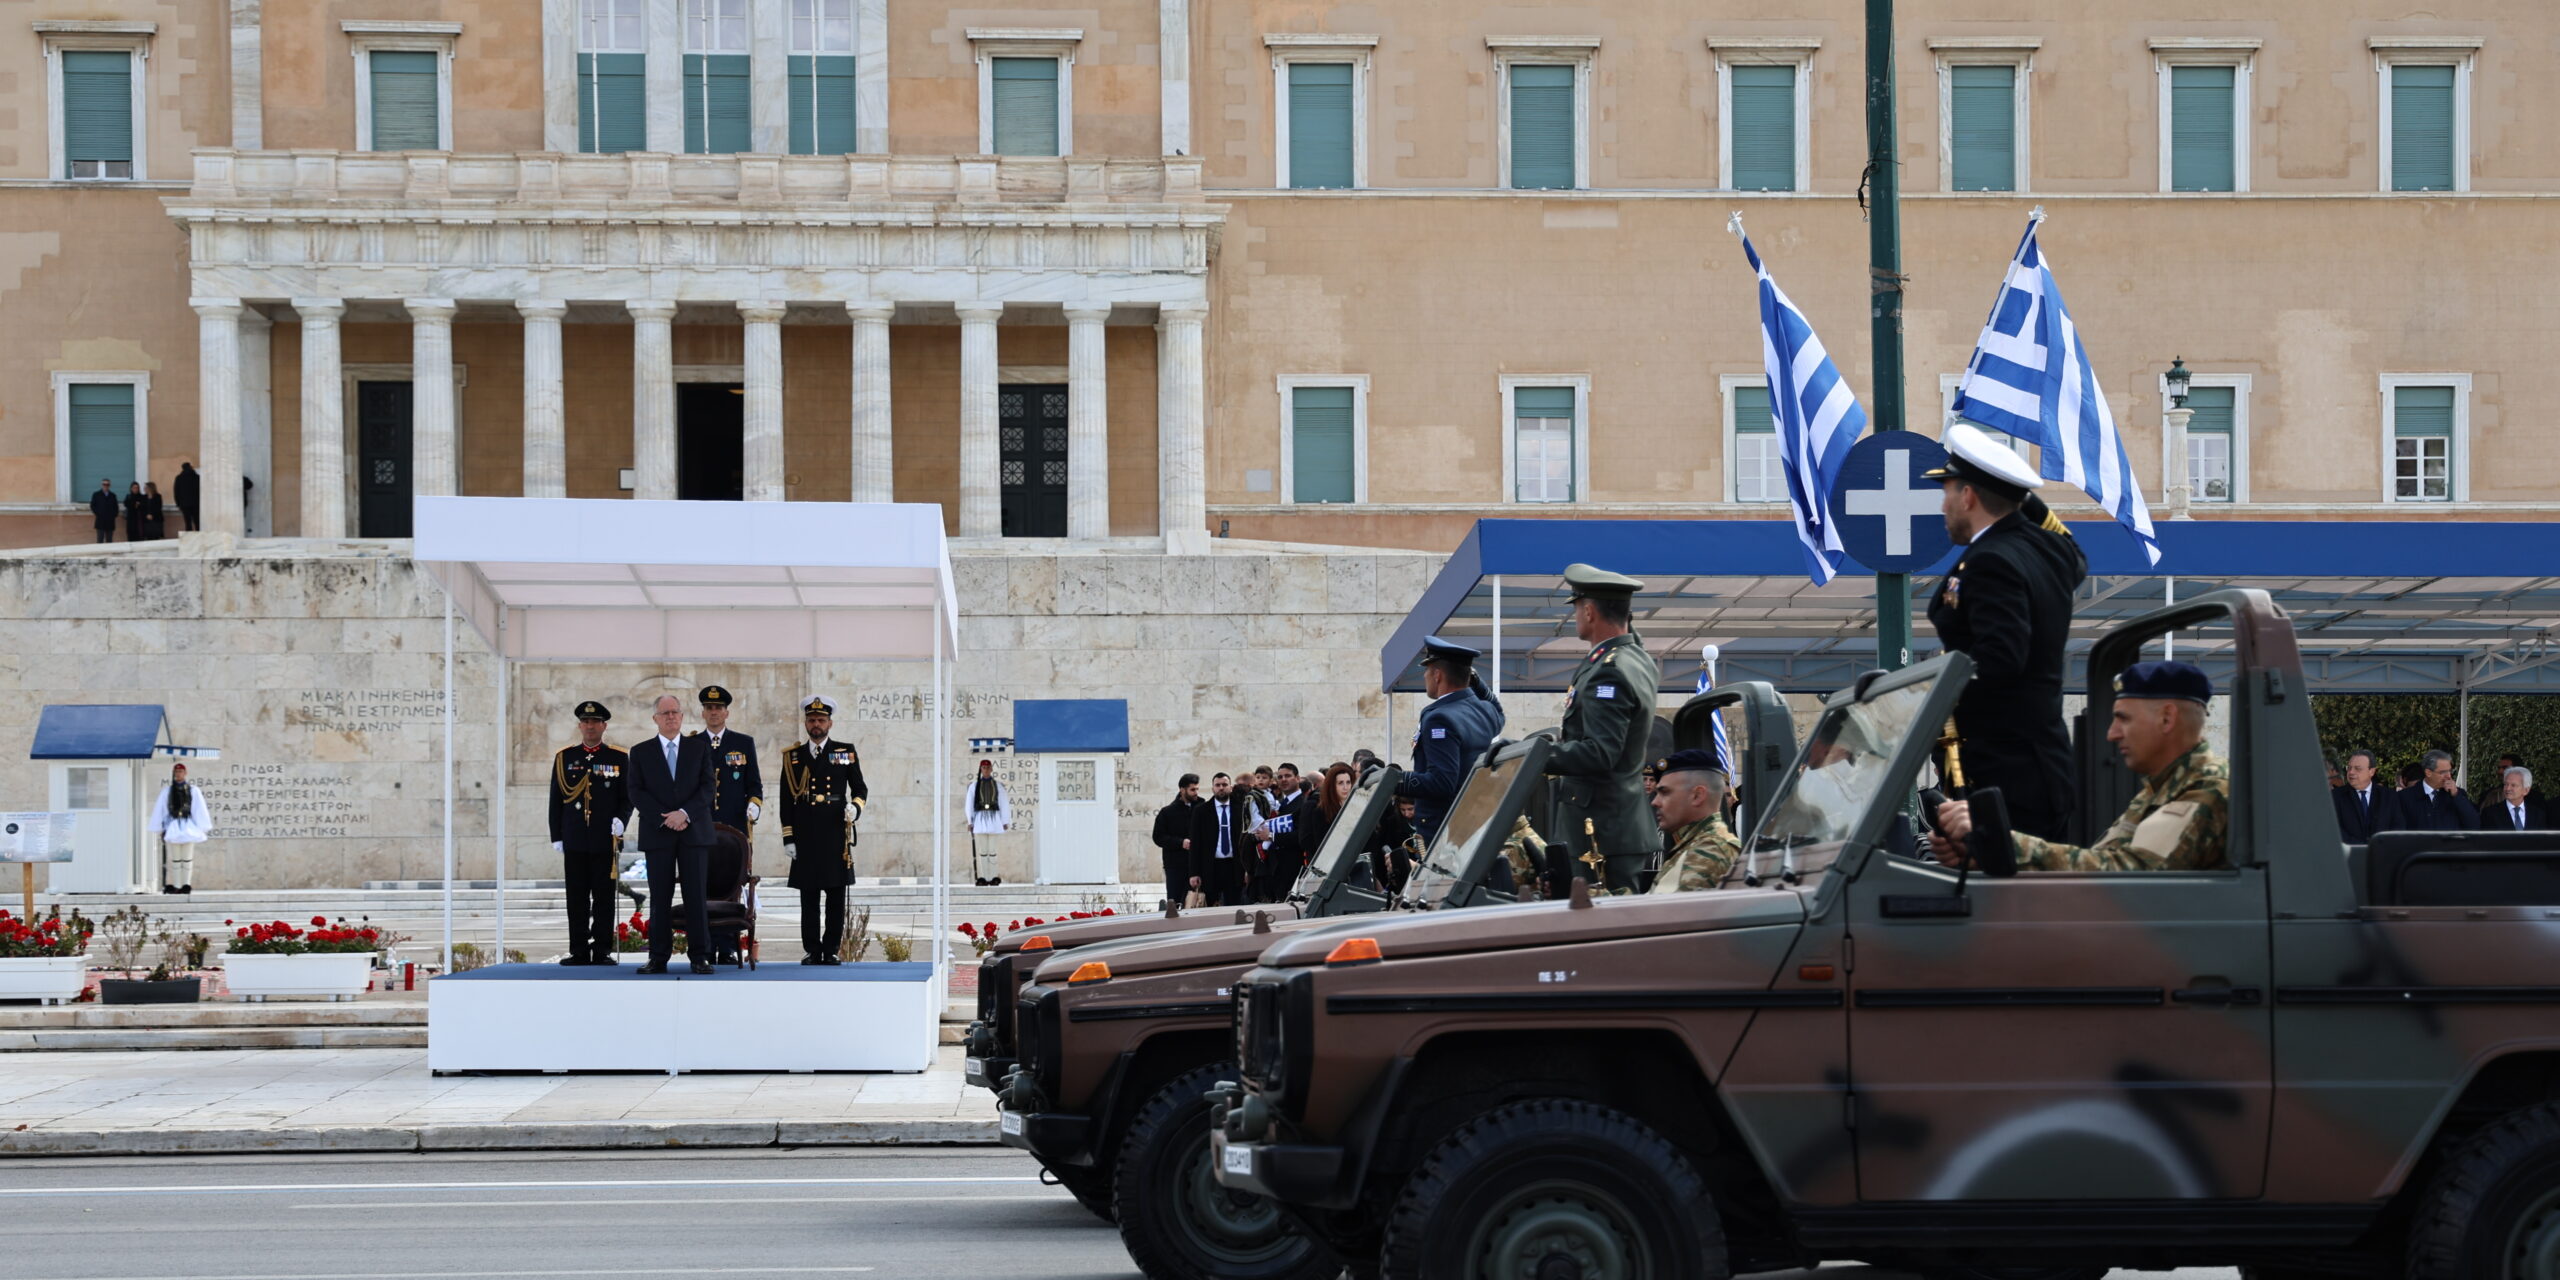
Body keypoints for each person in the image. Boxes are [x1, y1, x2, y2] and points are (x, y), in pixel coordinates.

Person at [1921, 423, 2089, 841]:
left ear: (1968, 495)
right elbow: (2070, 546)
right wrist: (2015, 494)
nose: (1943, 507)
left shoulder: (1990, 561)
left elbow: (2000, 660)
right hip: (2037, 768)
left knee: (2008, 903)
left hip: (2004, 776)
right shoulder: (2051, 551)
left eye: (1947, 492)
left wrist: (1920, 692)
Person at [1930, 661, 2229, 873]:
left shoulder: (2207, 788)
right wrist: (1986, 856)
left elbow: (2131, 877)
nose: (2112, 733)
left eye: (2124, 718)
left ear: (2167, 719)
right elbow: (2100, 864)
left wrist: (2006, 843)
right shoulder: (2162, 789)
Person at [1545, 563, 1660, 894]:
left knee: (1604, 934)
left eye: (1577, 608)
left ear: (1590, 611)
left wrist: (1539, 756)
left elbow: (1600, 753)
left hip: (1600, 833)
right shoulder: (1634, 657)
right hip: (1614, 824)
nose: (1575, 617)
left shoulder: (1608, 671)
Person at [628, 694, 717, 974]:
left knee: (695, 895)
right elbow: (635, 791)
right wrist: (665, 818)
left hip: (693, 832)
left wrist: (684, 814)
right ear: (655, 718)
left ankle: (700, 956)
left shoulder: (699, 748)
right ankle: (658, 957)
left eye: (675, 712)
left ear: (681, 716)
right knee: (660, 897)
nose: (670, 717)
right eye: (664, 713)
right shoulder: (640, 752)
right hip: (659, 833)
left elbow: (707, 787)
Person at [779, 695, 867, 965]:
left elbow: (860, 788)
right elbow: (785, 800)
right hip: (805, 833)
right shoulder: (793, 757)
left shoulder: (844, 751)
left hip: (834, 832)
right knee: (809, 896)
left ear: (830, 722)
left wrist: (855, 807)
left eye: (821, 720)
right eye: (811, 720)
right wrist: (788, 837)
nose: (816, 724)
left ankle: (830, 949)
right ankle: (812, 949)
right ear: (805, 723)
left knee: (835, 895)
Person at [1398, 636, 1506, 846]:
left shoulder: (1440, 718)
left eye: (1427, 671)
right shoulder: (1485, 711)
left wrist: (1394, 780)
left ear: (1437, 675)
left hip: (1441, 830)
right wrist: (1473, 680)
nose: (1425, 677)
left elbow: (1442, 782)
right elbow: (1497, 709)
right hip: (1471, 823)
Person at [547, 702, 629, 965]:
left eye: (595, 722)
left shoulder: (618, 757)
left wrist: (622, 820)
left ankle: (602, 949)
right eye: (586, 722)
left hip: (605, 839)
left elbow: (627, 797)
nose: (590, 726)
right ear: (580, 725)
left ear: (604, 726)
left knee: (604, 898)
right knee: (577, 898)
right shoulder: (565, 757)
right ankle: (579, 950)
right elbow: (556, 800)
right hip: (575, 838)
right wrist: (556, 835)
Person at [1649, 749, 1741, 894]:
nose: (1655, 802)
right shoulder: (1694, 844)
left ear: (1697, 796)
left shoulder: (1710, 849)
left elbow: (1659, 914)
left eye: (1665, 792)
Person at [690, 686, 763, 836]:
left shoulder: (744, 743)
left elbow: (753, 783)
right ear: (703, 713)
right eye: (709, 708)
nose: (714, 712)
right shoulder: (691, 744)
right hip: (700, 822)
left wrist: (754, 804)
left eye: (719, 708)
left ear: (727, 713)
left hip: (735, 822)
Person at [1188, 772, 1255, 906]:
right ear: (1213, 788)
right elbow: (1195, 844)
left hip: (1235, 866)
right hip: (1211, 866)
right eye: (1217, 785)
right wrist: (1194, 873)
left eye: (1224, 785)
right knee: (1211, 907)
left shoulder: (1241, 808)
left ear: (1230, 787)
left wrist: (1249, 869)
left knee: (1234, 906)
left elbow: (1248, 840)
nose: (1221, 788)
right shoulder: (1201, 811)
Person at [148, 761, 214, 894]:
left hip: (188, 826)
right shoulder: (167, 791)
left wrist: (201, 826)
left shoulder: (193, 790)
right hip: (173, 826)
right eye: (176, 772)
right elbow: (162, 809)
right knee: (176, 858)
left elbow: (198, 809)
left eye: (180, 772)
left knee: (187, 857)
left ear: (185, 773)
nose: (178, 774)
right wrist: (161, 826)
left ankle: (186, 885)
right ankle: (178, 885)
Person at [2396, 749, 2481, 831]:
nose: (2449, 776)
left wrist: (2456, 796)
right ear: (2428, 773)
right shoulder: (2405, 797)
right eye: (2443, 772)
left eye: (2449, 771)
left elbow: (2474, 825)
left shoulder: (2457, 794)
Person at [1151, 774, 1203, 905]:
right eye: (1192, 790)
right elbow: (1158, 837)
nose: (1195, 793)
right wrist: (1180, 843)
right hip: (1176, 866)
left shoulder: (1203, 807)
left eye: (1197, 789)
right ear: (1182, 789)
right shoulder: (1167, 812)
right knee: (1175, 903)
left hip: (1199, 865)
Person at [2332, 748, 2393, 843]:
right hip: (2350, 854)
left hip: (2383, 854)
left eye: (2357, 768)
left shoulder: (2389, 796)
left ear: (2371, 771)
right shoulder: (2335, 796)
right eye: (2349, 767)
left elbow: (2398, 827)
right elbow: (2334, 829)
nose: (2351, 772)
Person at [966, 758, 1011, 886]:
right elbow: (969, 804)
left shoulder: (998, 786)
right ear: (981, 769)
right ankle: (983, 877)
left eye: (988, 768)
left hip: (994, 819)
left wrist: (1005, 820)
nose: (986, 770)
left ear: (991, 769)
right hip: (980, 819)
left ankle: (993, 876)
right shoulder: (974, 786)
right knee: (983, 851)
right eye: (983, 768)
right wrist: (970, 821)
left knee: (992, 851)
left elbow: (1003, 803)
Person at [2482, 767, 2547, 831]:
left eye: (2513, 785)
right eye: (2506, 784)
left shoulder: (2537, 814)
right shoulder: (2490, 813)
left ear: (2526, 790)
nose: (2508, 788)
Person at [88, 478, 119, 544]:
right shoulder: (96, 495)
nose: (105, 486)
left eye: (107, 484)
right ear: (102, 485)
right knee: (100, 540)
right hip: (100, 521)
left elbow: (116, 508)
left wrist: (113, 515)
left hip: (110, 521)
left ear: (109, 485)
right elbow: (92, 506)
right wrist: (98, 514)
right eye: (104, 484)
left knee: (109, 540)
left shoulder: (113, 496)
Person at [172, 462, 200, 532]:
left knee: (187, 522)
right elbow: (200, 490)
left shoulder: (179, 478)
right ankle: (199, 536)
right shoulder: (197, 477)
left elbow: (176, 491)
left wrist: (178, 503)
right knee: (197, 521)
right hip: (196, 503)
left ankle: (188, 537)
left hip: (184, 504)